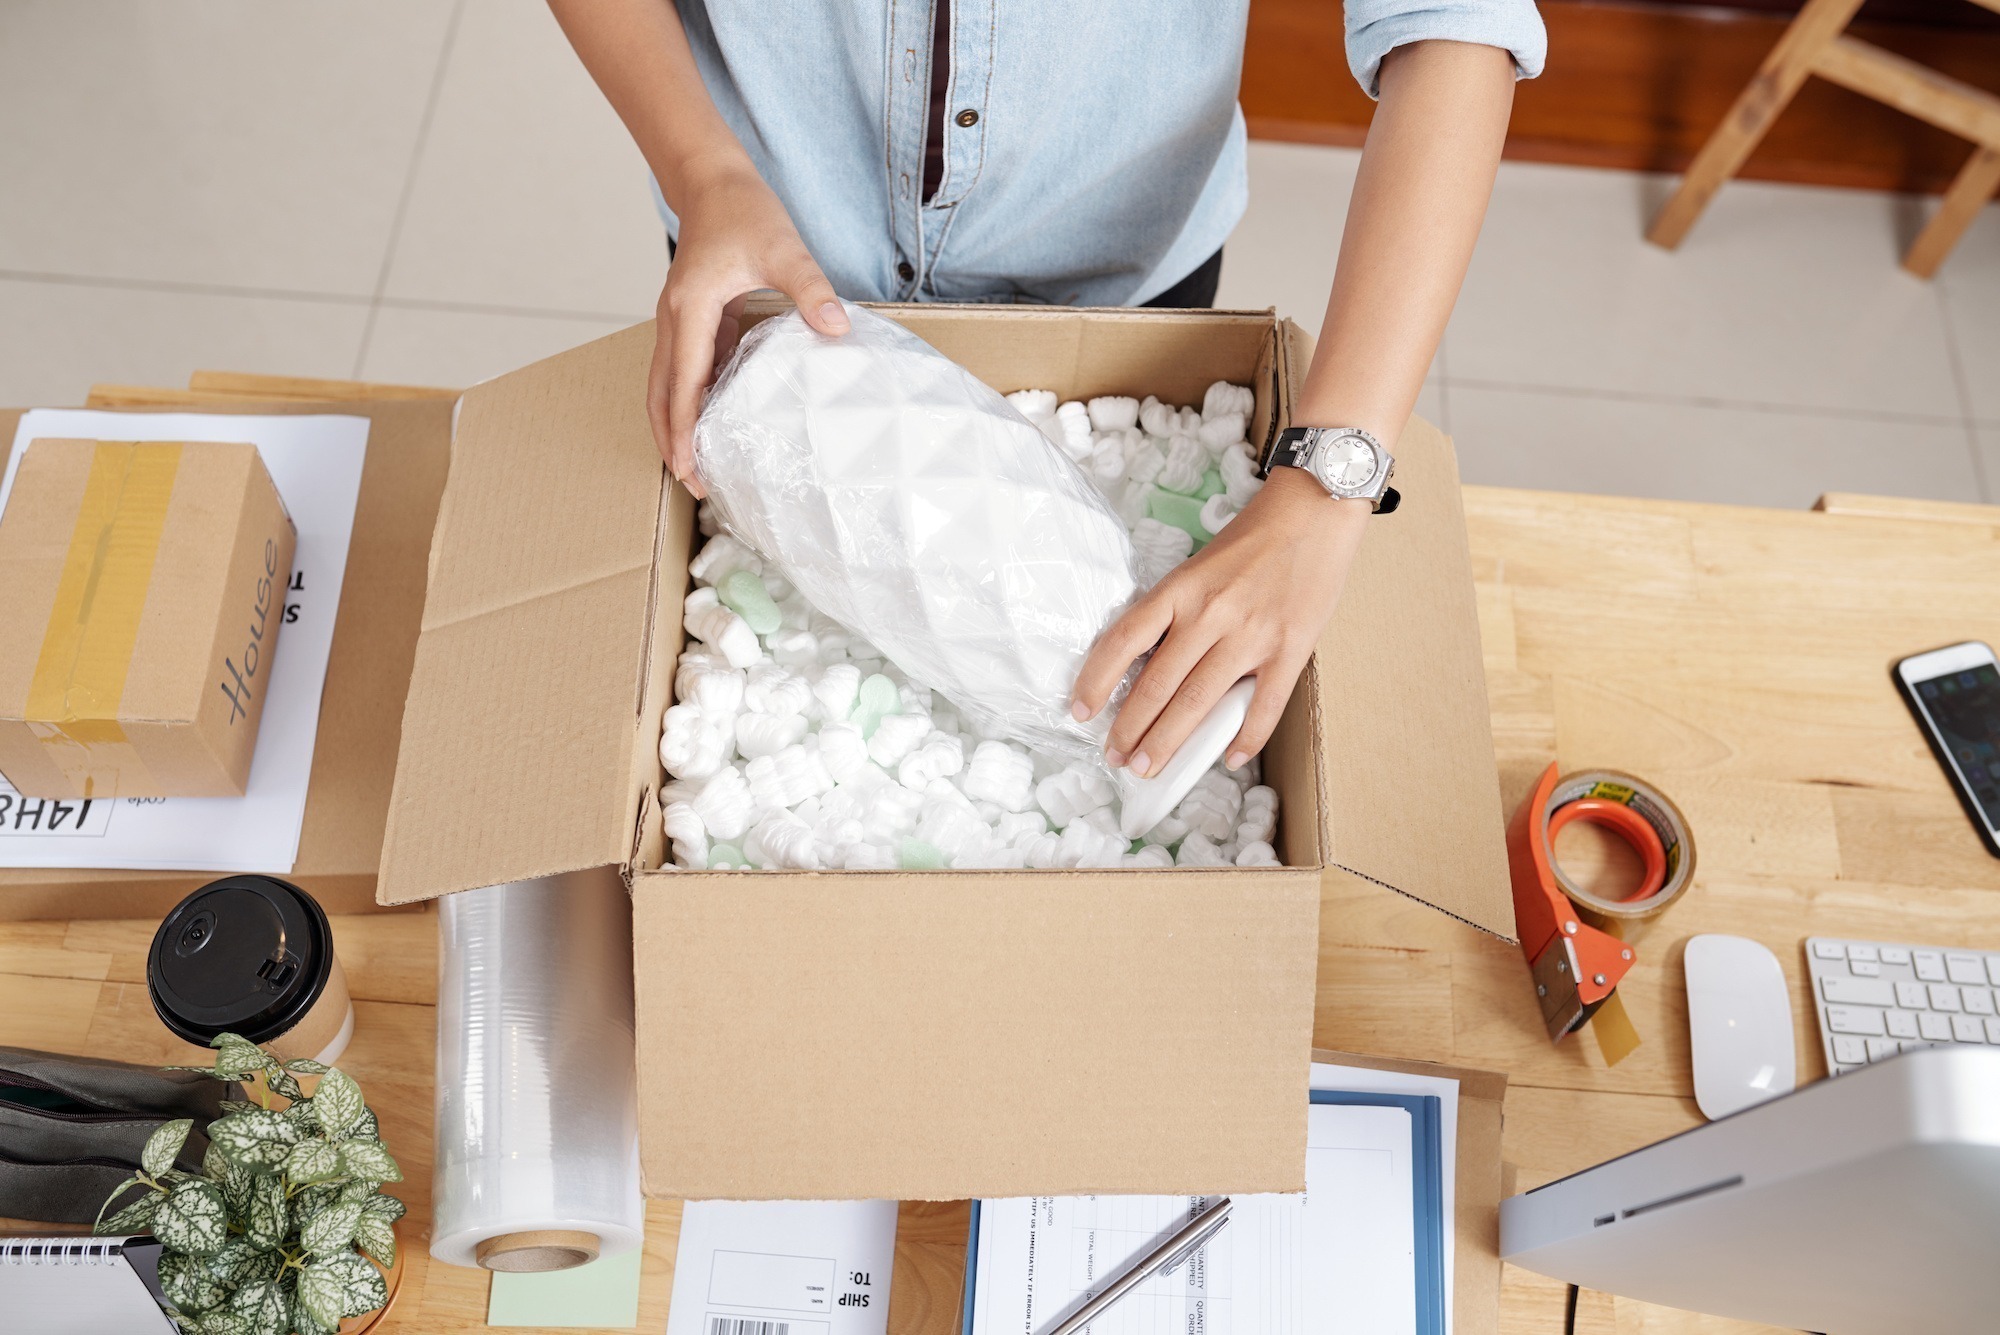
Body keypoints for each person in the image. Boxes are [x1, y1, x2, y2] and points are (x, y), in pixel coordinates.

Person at [548, 0, 1544, 779]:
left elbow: (1456, 26)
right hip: (765, 238)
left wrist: (1327, 485)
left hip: (1118, 266)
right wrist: (703, 171)